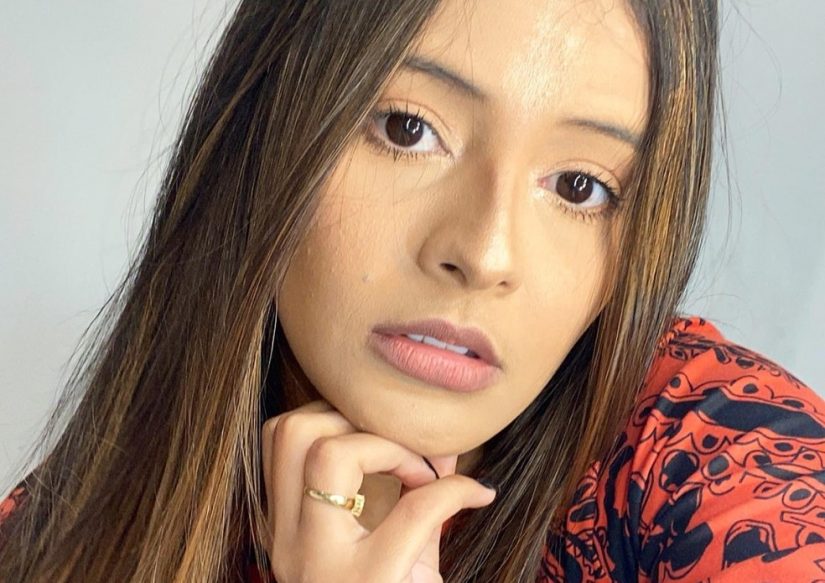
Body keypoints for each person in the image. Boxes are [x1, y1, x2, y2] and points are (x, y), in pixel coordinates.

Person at [1, 0, 823, 581]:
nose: (485, 253)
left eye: (579, 186)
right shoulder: (66, 534)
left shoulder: (725, 462)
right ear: (260, 129)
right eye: (407, 129)